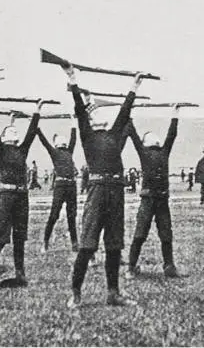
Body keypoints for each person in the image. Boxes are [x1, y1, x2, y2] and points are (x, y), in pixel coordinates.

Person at [64, 64, 143, 308]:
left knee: (114, 244)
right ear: (89, 117)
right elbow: (79, 109)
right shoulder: (87, 135)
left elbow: (124, 112)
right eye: (95, 111)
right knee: (88, 245)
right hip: (97, 192)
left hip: (116, 191)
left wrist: (134, 87)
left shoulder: (114, 133)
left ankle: (113, 293)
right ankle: (76, 293)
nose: (100, 114)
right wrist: (72, 78)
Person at [0, 100, 43, 288]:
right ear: (4, 136)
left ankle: (20, 273)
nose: (14, 132)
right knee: (0, 238)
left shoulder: (22, 149)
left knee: (20, 237)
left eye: (15, 131)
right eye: (10, 131)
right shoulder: (0, 149)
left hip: (22, 197)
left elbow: (32, 132)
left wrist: (37, 110)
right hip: (6, 196)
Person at [124, 105, 181, 279]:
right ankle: (131, 268)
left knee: (166, 234)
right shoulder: (144, 151)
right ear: (146, 141)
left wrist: (175, 113)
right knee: (140, 233)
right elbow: (132, 133)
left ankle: (169, 267)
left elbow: (172, 134)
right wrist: (129, 113)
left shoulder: (164, 151)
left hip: (162, 198)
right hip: (148, 199)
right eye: (150, 136)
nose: (155, 137)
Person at [36, 124, 79, 253]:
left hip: (71, 186)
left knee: (72, 216)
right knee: (54, 215)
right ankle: (45, 242)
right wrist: (37, 128)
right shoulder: (54, 152)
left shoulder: (69, 151)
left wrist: (72, 123)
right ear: (56, 143)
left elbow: (74, 138)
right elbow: (44, 142)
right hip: (60, 186)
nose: (63, 141)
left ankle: (75, 244)